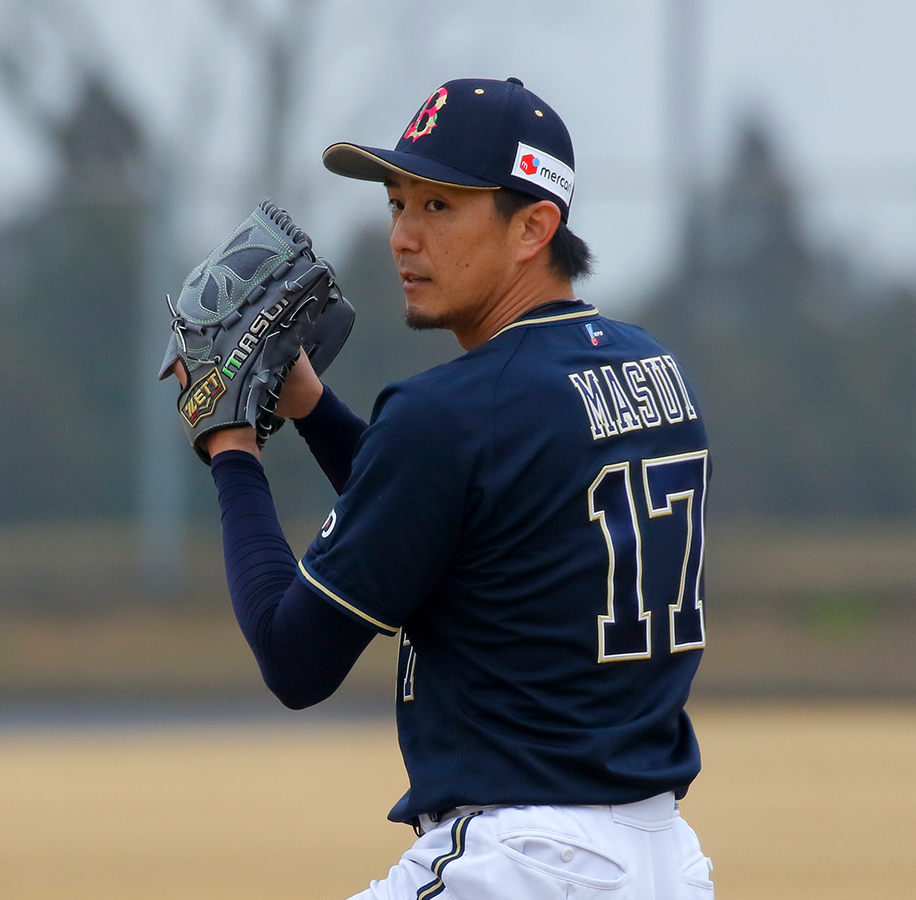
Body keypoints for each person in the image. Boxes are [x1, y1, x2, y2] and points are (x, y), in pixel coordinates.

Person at [179, 76, 715, 899]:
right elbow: (454, 516)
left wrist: (231, 445)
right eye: (399, 202)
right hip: (662, 856)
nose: (402, 236)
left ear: (535, 225)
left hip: (528, 860)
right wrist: (314, 408)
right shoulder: (653, 369)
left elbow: (295, 659)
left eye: (441, 207)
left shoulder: (452, 411)